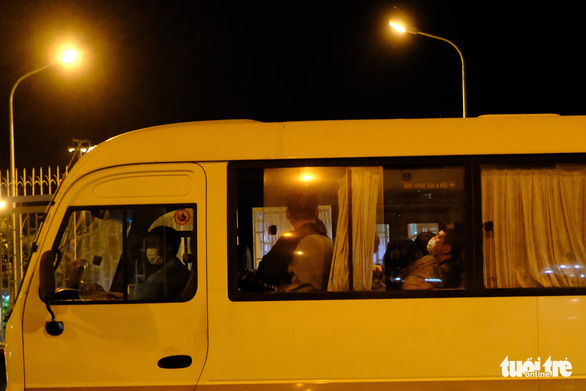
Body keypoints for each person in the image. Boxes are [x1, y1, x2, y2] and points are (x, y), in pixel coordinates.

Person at [258, 189, 333, 292]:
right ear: (317, 212)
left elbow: (264, 272)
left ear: (288, 213)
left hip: (293, 302)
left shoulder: (290, 240)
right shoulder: (328, 242)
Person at [133, 226, 190, 300]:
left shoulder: (159, 278)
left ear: (168, 247)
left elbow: (140, 299)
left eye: (153, 244)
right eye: (148, 245)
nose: (148, 248)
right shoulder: (179, 268)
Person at [402, 225, 464, 290]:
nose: (433, 238)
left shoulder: (444, 272)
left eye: (439, 237)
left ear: (446, 249)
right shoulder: (438, 267)